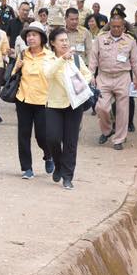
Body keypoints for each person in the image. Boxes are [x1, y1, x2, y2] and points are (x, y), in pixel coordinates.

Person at [45, 27, 92, 190]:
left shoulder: (76, 59)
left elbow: (88, 74)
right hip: (54, 104)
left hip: (74, 104)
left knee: (71, 142)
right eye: (61, 40)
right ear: (53, 43)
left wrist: (78, 82)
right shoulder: (49, 59)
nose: (65, 43)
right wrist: (62, 59)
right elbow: (47, 73)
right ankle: (58, 164)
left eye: (66, 40)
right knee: (52, 138)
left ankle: (67, 176)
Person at [90, 13, 137, 150]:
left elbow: (135, 62)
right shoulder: (100, 39)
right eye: (113, 26)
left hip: (123, 77)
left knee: (122, 110)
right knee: (101, 107)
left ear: (124, 27)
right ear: (110, 26)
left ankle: (119, 139)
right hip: (104, 77)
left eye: (119, 27)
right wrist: (90, 76)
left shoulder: (130, 41)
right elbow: (93, 59)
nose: (116, 29)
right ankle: (108, 130)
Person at [11, 24, 55, 179]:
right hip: (23, 99)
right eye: (28, 36)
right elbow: (12, 75)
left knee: (42, 135)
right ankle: (26, 168)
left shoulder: (50, 56)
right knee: (23, 134)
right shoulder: (23, 54)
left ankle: (48, 155)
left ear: (42, 38)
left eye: (34, 35)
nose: (30, 38)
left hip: (43, 101)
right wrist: (16, 67)